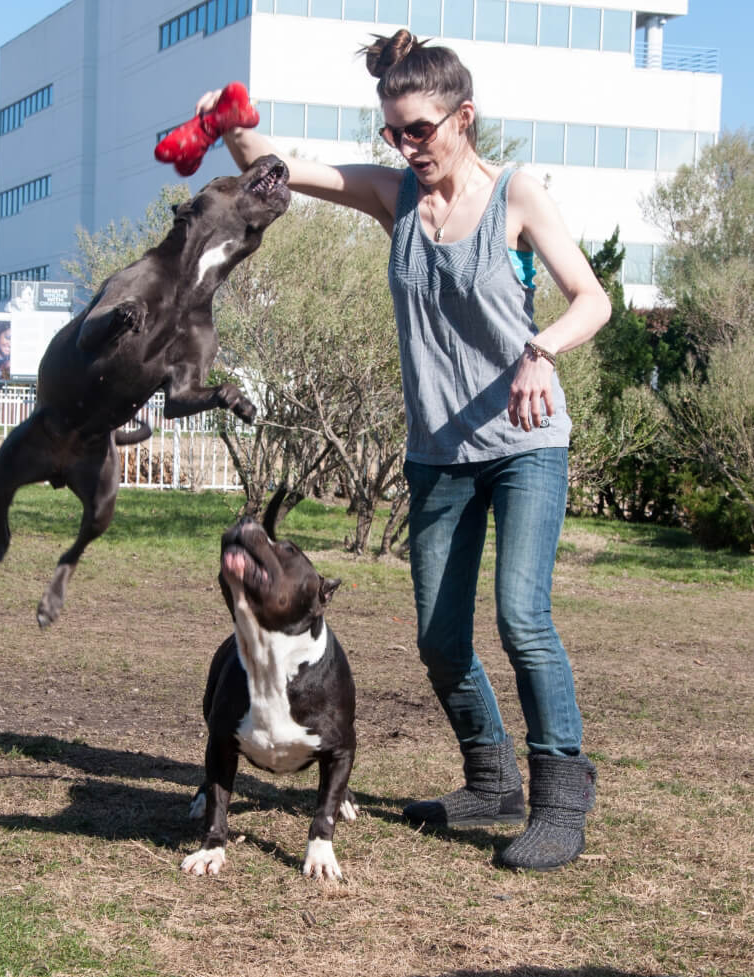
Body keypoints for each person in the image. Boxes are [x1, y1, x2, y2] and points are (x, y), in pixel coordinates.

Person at [195, 28, 611, 871]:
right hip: (437, 454)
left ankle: (560, 795)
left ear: (464, 118)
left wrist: (541, 352)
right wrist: (230, 123)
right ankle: (488, 777)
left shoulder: (516, 196)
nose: (407, 146)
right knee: (438, 639)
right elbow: (284, 167)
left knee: (521, 617)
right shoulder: (394, 199)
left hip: (527, 441)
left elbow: (591, 299)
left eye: (420, 129)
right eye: (394, 131)